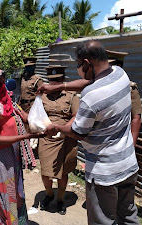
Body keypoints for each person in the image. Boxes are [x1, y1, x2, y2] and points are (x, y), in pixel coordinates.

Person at [43, 41, 139, 224]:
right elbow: (90, 82)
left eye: (79, 66)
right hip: (128, 164)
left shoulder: (91, 96)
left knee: (102, 221)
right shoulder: (121, 74)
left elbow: (78, 132)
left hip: (105, 173)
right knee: (128, 216)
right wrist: (58, 87)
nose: (79, 70)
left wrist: (56, 128)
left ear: (86, 63)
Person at [0, 63, 43, 225]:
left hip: (13, 155)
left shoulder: (7, 100)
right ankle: (12, 222)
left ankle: (17, 222)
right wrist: (26, 136)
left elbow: (24, 116)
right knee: (8, 196)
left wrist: (43, 123)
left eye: (3, 79)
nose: (3, 84)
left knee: (16, 193)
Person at [37, 50, 142, 145]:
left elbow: (136, 119)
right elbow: (84, 83)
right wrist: (56, 87)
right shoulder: (97, 84)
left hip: (116, 144)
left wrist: (131, 146)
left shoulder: (128, 88)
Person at [37, 66, 80, 215]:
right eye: (52, 80)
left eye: (57, 80)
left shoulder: (71, 95)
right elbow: (35, 114)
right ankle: (49, 195)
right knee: (45, 171)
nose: (54, 83)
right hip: (47, 138)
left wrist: (64, 129)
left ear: (62, 79)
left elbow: (76, 115)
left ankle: (60, 200)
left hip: (65, 138)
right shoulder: (41, 96)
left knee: (63, 172)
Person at [106, 50, 142, 145]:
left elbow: (136, 118)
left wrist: (131, 145)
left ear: (119, 66)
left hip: (120, 140)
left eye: (109, 65)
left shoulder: (130, 88)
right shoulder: (99, 86)